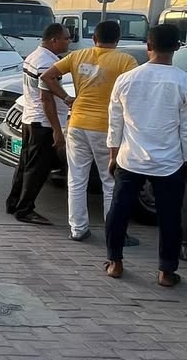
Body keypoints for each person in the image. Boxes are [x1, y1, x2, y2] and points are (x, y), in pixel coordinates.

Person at [104, 23, 187, 286]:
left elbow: (115, 123)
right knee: (170, 217)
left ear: (148, 46)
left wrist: (113, 155)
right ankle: (166, 271)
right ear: (177, 47)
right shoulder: (183, 81)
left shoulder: (126, 79)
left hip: (130, 158)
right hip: (170, 162)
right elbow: (185, 129)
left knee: (119, 211)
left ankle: (115, 262)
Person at [40, 20, 138, 242]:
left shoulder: (77, 56)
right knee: (110, 181)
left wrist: (66, 97)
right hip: (106, 128)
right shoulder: (126, 61)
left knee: (76, 179)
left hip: (77, 124)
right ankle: (114, 232)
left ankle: (78, 229)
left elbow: (46, 76)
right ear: (118, 39)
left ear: (94, 38)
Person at [6, 22, 72, 225]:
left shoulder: (35, 56)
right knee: (37, 169)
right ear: (54, 40)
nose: (69, 42)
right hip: (42, 123)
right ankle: (25, 210)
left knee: (25, 165)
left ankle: (14, 202)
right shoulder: (46, 63)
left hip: (31, 119)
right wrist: (57, 130)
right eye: (66, 38)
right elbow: (46, 99)